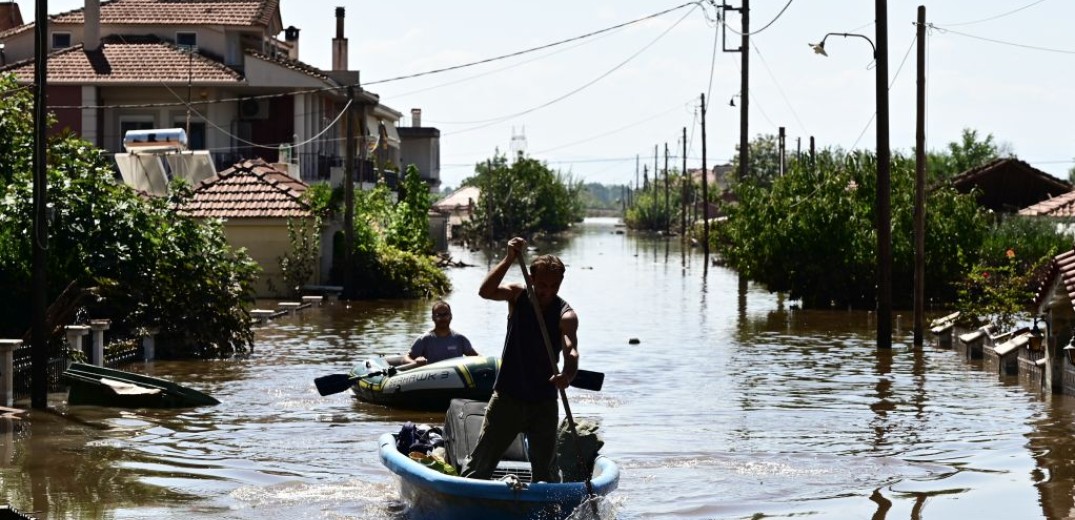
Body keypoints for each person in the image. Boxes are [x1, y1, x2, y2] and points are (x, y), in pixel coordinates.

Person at [460, 237, 579, 483]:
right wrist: (509, 258)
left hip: (543, 402)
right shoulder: (517, 296)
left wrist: (567, 375)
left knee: (545, 472)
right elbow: (485, 291)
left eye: (554, 286)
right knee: (480, 463)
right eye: (543, 285)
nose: (548, 291)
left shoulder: (565, 315)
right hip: (508, 396)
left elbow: (571, 350)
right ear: (532, 279)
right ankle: (465, 500)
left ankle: (547, 508)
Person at [403, 301, 479, 366]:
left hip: (456, 379)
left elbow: (478, 358)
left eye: (445, 314)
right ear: (433, 318)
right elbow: (406, 358)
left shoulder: (460, 339)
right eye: (438, 315)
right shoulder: (425, 339)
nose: (442, 318)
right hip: (433, 379)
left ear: (451, 316)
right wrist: (415, 363)